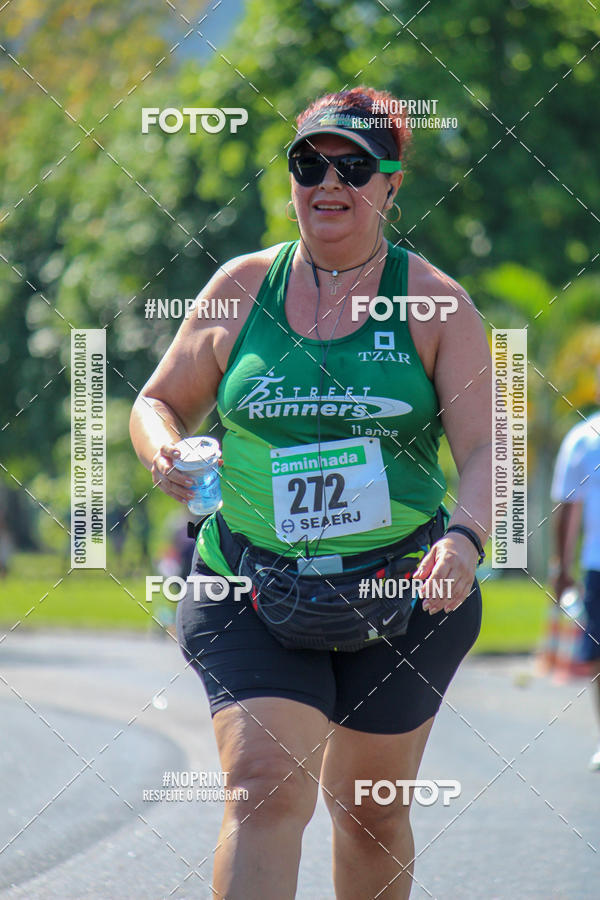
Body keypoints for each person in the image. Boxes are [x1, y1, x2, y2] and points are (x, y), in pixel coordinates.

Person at [130, 87, 492, 899]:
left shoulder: (437, 303)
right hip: (250, 583)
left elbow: (482, 450)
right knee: (263, 784)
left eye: (354, 167)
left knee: (368, 816)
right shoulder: (240, 288)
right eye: (309, 163)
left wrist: (463, 542)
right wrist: (165, 454)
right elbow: (157, 402)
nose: (329, 183)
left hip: (400, 591)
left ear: (392, 184)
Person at [550, 380, 600, 771]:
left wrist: (561, 569)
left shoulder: (583, 438)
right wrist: (563, 568)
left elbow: (567, 509)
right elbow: (569, 507)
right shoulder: (583, 439)